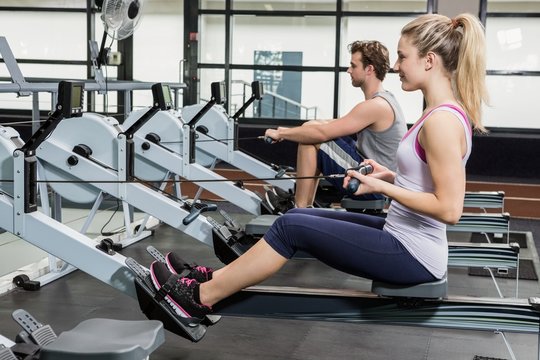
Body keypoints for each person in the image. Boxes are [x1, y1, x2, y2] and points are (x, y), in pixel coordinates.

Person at [149, 13, 488, 321]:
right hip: (401, 235)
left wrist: (384, 187)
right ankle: (213, 279)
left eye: (402, 56)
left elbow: (449, 208)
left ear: (429, 61)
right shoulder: (437, 113)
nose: (397, 66)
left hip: (413, 255)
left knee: (292, 230)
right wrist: (390, 175)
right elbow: (427, 182)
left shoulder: (442, 121)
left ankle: (199, 297)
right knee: (294, 218)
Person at [262, 40, 407, 213]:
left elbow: (322, 132)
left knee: (313, 138)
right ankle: (303, 206)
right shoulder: (382, 100)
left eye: (353, 66)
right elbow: (331, 124)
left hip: (375, 185)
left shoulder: (375, 106)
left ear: (369, 69)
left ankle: (298, 209)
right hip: (375, 176)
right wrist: (287, 131)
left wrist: (282, 134)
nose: (349, 70)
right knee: (312, 128)